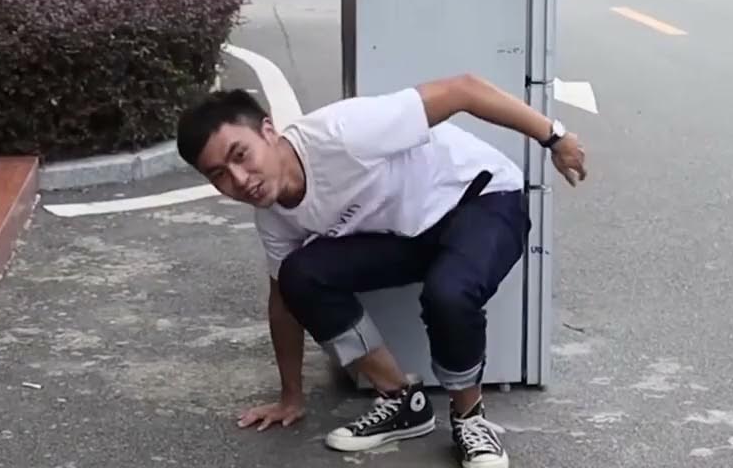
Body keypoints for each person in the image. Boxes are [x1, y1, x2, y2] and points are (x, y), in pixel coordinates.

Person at [176, 73, 588, 468]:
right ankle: (401, 400)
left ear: (268, 131)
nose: (239, 179)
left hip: (480, 198)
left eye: (240, 156)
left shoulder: (343, 133)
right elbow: (283, 302)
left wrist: (555, 137)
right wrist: (290, 397)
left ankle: (469, 418)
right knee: (298, 276)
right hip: (410, 234)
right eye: (219, 175)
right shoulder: (272, 216)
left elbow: (463, 90)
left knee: (448, 293)